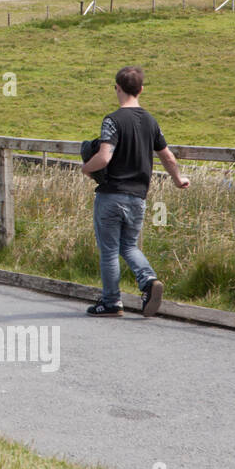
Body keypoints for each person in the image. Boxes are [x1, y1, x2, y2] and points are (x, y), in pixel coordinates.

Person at [81, 66, 190, 317]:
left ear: (116, 88)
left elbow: (104, 157)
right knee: (129, 246)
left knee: (109, 251)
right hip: (138, 197)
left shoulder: (112, 120)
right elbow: (167, 156)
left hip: (111, 195)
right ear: (141, 90)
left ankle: (111, 302)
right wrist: (178, 179)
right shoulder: (150, 121)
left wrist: (86, 168)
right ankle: (148, 279)